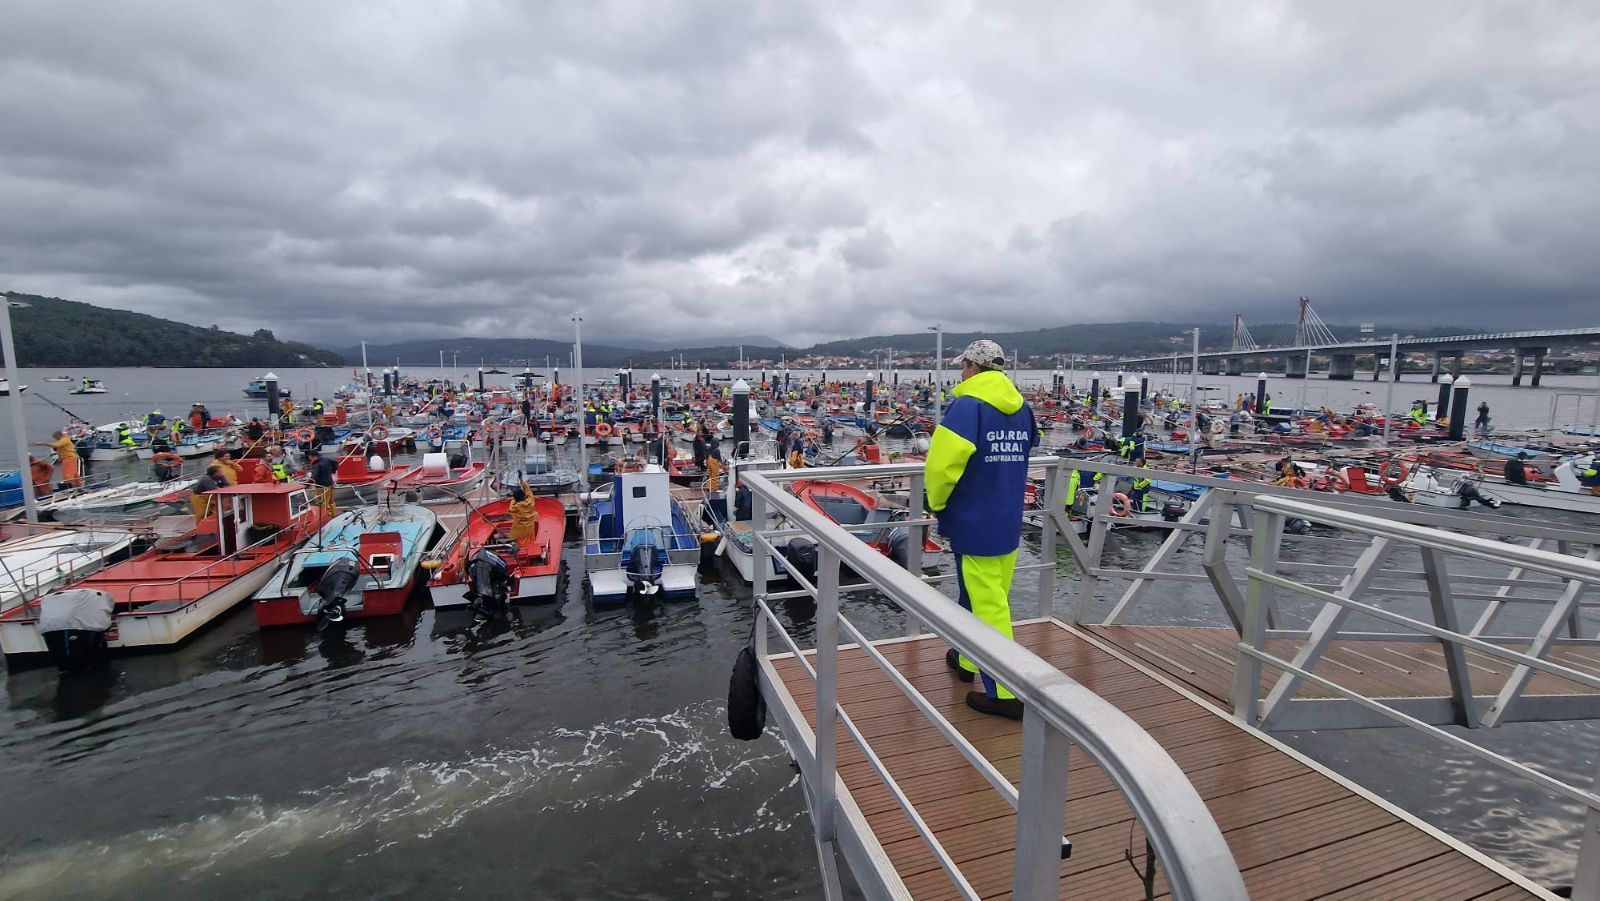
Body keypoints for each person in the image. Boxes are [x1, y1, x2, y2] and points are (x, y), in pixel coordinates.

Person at [925, 339, 1037, 720]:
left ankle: (1006, 692)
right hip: (1007, 517)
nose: (960, 372)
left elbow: (942, 468)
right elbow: (1026, 449)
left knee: (989, 606)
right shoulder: (1023, 408)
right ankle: (967, 660)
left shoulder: (967, 407)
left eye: (963, 366)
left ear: (973, 366)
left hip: (974, 519)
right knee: (982, 595)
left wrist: (936, 502)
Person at [306, 449, 337, 516]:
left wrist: (307, 484)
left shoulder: (316, 465)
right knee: (330, 501)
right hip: (330, 484)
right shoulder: (327, 459)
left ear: (314, 457)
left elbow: (314, 475)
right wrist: (333, 471)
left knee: (323, 503)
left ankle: (326, 516)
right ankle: (333, 514)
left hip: (321, 486)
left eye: (310, 459)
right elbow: (335, 463)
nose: (310, 460)